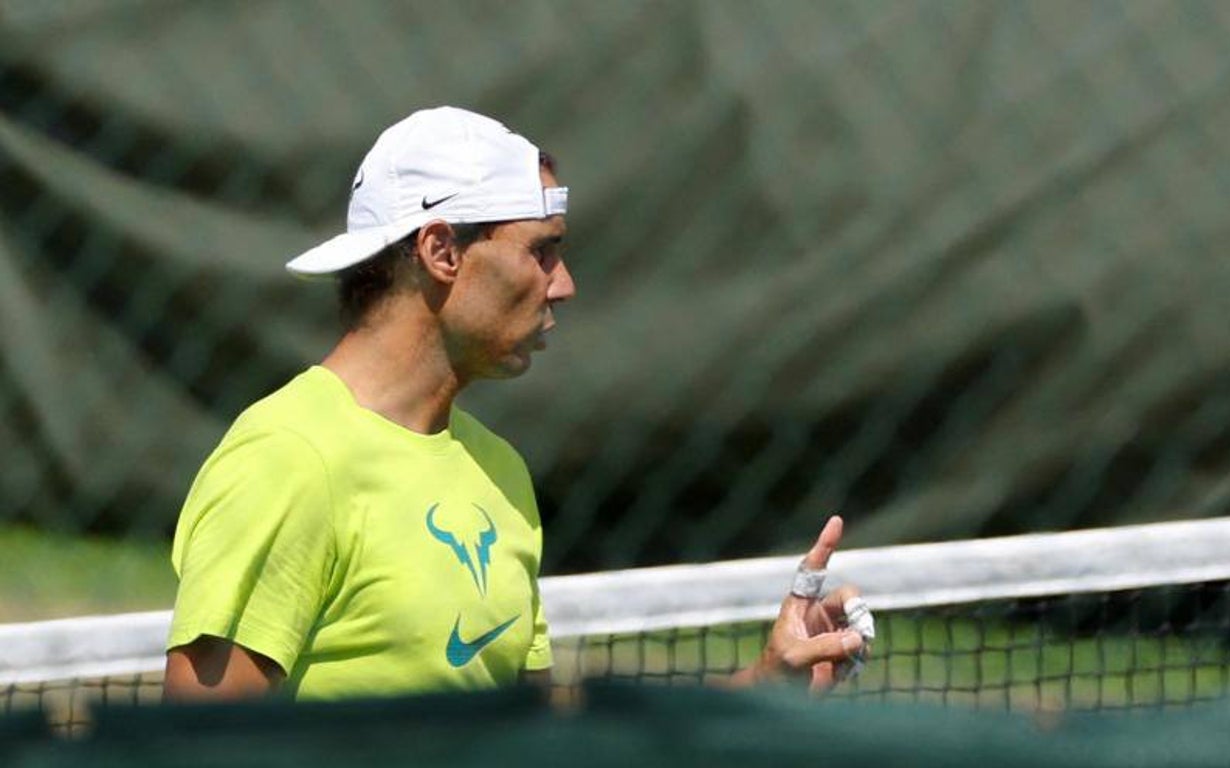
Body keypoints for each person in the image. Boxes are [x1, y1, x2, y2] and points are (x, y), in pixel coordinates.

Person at [162, 106, 869, 701]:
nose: (563, 286)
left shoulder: (497, 473)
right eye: (542, 253)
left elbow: (537, 745)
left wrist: (763, 680)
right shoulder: (289, 460)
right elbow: (192, 750)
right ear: (442, 250)